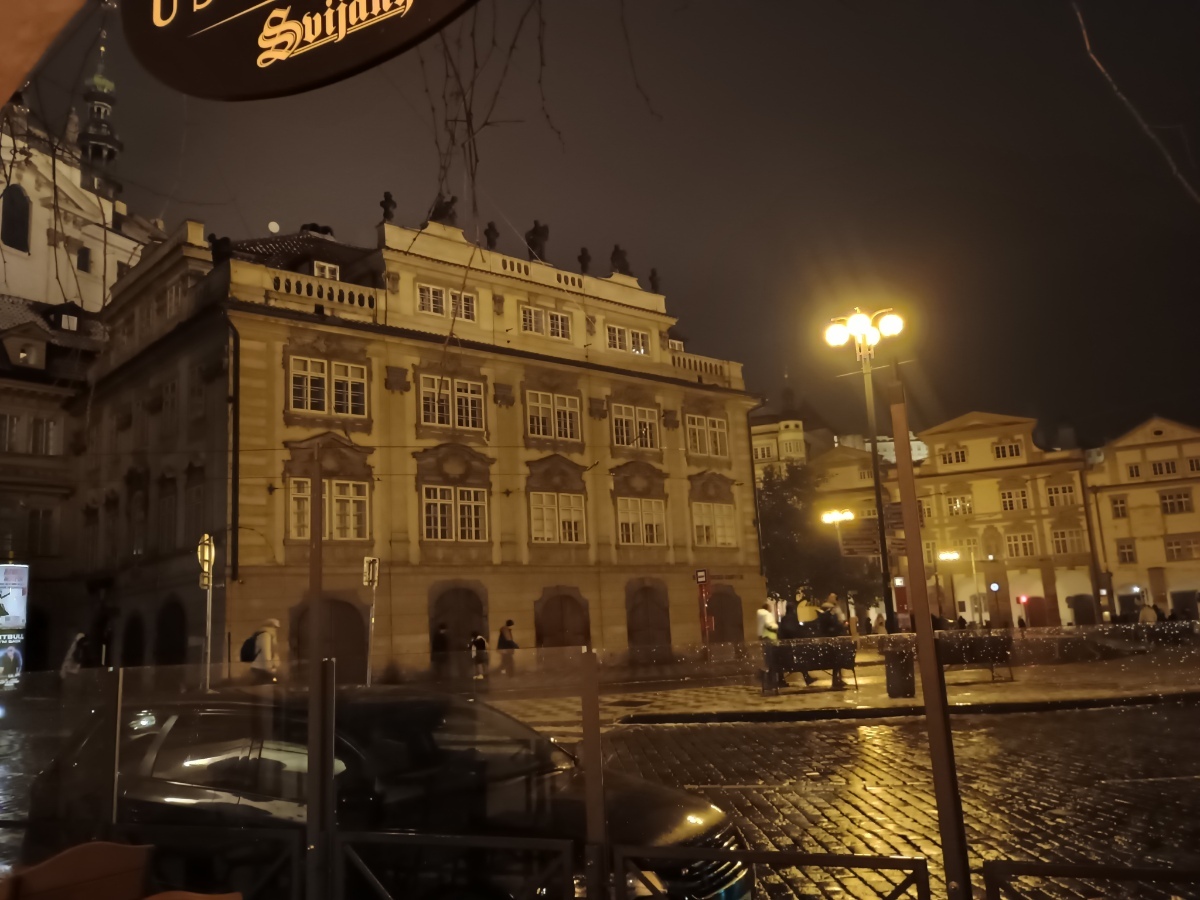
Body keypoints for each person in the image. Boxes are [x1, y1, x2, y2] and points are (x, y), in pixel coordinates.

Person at [816, 598, 848, 690]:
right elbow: (837, 627)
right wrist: (843, 626)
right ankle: (837, 679)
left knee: (835, 659)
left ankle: (837, 679)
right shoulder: (830, 617)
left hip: (824, 649)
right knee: (837, 659)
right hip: (831, 648)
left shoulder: (820, 619)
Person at [250, 618, 280, 685]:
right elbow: (266, 651)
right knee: (266, 685)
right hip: (262, 667)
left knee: (264, 685)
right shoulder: (265, 635)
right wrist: (269, 667)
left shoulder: (267, 635)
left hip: (261, 666)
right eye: (275, 627)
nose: (276, 629)